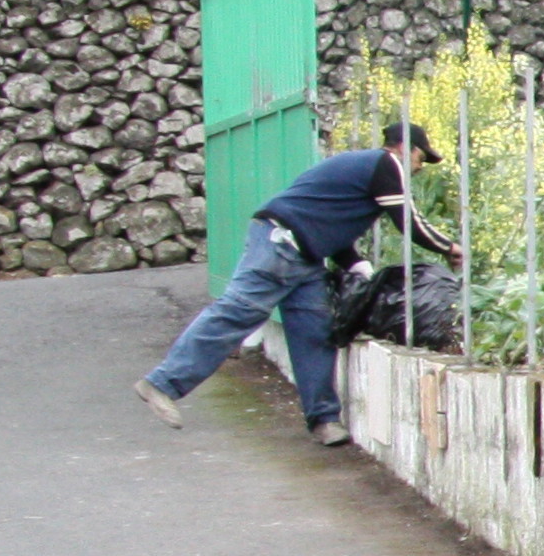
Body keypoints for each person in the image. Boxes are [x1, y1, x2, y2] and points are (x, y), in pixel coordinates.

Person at [136, 122, 456, 448]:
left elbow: (325, 218)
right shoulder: (385, 165)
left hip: (305, 256)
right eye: (420, 157)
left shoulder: (364, 169)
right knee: (237, 311)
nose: (420, 167)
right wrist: (452, 248)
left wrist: (356, 265)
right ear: (404, 147)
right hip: (280, 245)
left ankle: (324, 421)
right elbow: (410, 223)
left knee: (315, 331)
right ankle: (162, 383)